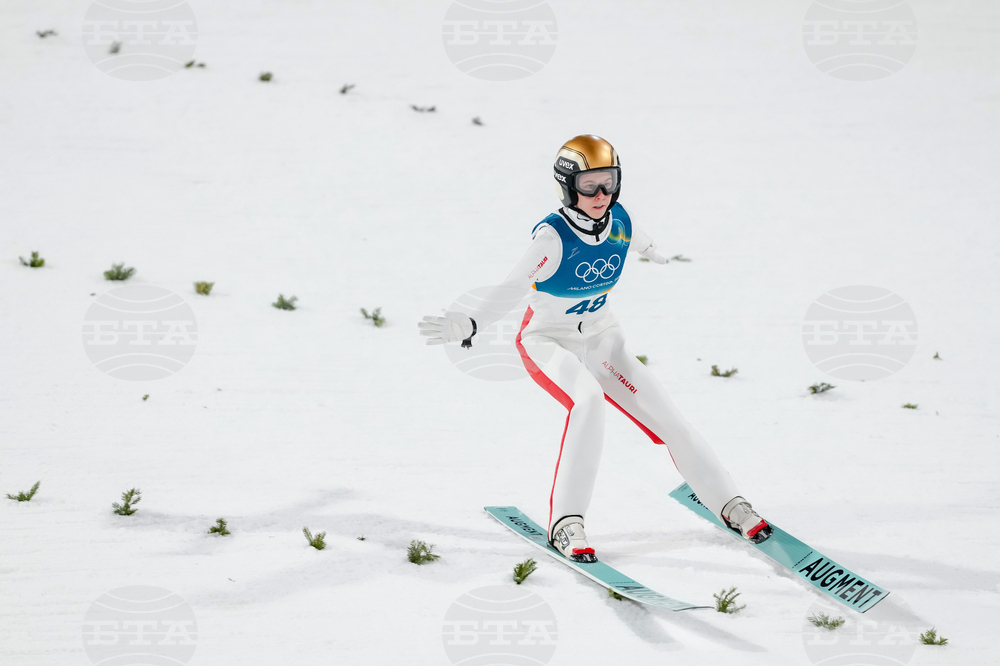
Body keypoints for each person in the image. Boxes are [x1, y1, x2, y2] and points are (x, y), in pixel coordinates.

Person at [419, 135, 771, 563]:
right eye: (589, 186)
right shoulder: (551, 238)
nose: (601, 195)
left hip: (602, 337)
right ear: (567, 187)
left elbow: (633, 235)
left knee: (667, 416)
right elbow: (511, 287)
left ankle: (730, 504)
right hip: (548, 340)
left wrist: (651, 250)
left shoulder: (618, 217)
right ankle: (567, 523)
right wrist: (470, 322)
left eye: (609, 183)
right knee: (587, 403)